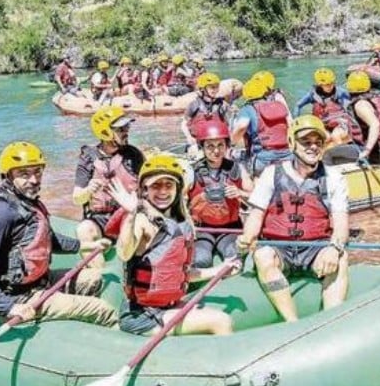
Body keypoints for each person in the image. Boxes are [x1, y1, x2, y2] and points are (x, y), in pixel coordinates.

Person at [0, 142, 118, 326]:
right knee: (102, 309)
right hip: (18, 296)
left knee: (100, 278)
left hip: (42, 281)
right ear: (8, 176)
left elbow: (47, 239)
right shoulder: (0, 214)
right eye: (24, 174)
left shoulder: (26, 201)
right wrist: (9, 307)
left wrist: (87, 246)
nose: (34, 180)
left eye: (37, 172)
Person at [108, 153, 237, 336]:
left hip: (168, 306)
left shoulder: (181, 222)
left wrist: (220, 270)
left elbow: (180, 275)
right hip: (142, 315)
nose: (163, 192)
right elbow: (124, 252)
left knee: (208, 311)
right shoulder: (142, 220)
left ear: (178, 189)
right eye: (156, 186)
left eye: (168, 185)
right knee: (221, 321)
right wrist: (130, 214)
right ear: (145, 190)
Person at [236, 115, 350, 323]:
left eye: (318, 142)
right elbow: (256, 214)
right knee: (262, 256)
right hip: (279, 248)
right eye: (306, 142)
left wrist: (335, 248)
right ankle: (292, 323)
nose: (313, 147)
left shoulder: (334, 177)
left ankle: (332, 321)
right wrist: (247, 237)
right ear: (291, 144)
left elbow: (341, 223)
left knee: (341, 259)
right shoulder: (272, 174)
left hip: (315, 248)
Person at [72, 106, 144, 268]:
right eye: (120, 129)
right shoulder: (88, 158)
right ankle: (99, 274)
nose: (126, 132)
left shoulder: (133, 155)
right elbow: (77, 198)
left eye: (126, 127)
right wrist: (88, 190)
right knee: (84, 229)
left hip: (127, 215)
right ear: (105, 132)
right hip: (100, 219)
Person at [188, 119, 253, 268]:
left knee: (234, 255)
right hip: (203, 229)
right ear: (202, 147)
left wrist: (240, 193)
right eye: (210, 146)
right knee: (201, 260)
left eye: (220, 145)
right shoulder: (192, 171)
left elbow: (256, 198)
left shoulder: (237, 169)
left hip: (230, 229)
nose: (216, 151)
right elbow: (179, 202)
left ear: (226, 146)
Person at [323, 71, 380, 166]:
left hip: (375, 153)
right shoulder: (377, 98)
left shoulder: (360, 104)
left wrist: (367, 150)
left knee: (328, 154)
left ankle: (331, 179)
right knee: (343, 146)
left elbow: (375, 124)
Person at [231, 73, 292, 177]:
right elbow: (290, 123)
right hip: (287, 155)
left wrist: (231, 143)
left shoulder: (248, 109)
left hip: (263, 158)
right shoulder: (278, 104)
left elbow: (241, 126)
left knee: (256, 180)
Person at [294, 67, 352, 145]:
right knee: (325, 138)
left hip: (339, 122)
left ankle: (342, 154)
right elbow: (298, 105)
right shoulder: (312, 95)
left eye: (332, 83)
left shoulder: (340, 92)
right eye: (327, 85)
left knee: (336, 136)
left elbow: (353, 100)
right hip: (323, 124)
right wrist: (296, 121)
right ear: (320, 84)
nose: (331, 86)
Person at [181, 72, 231, 153]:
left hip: (216, 142)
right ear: (202, 89)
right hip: (198, 142)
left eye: (216, 87)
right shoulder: (194, 104)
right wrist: (189, 138)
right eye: (212, 87)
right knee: (193, 149)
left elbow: (229, 124)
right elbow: (184, 124)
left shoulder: (222, 105)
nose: (215, 90)